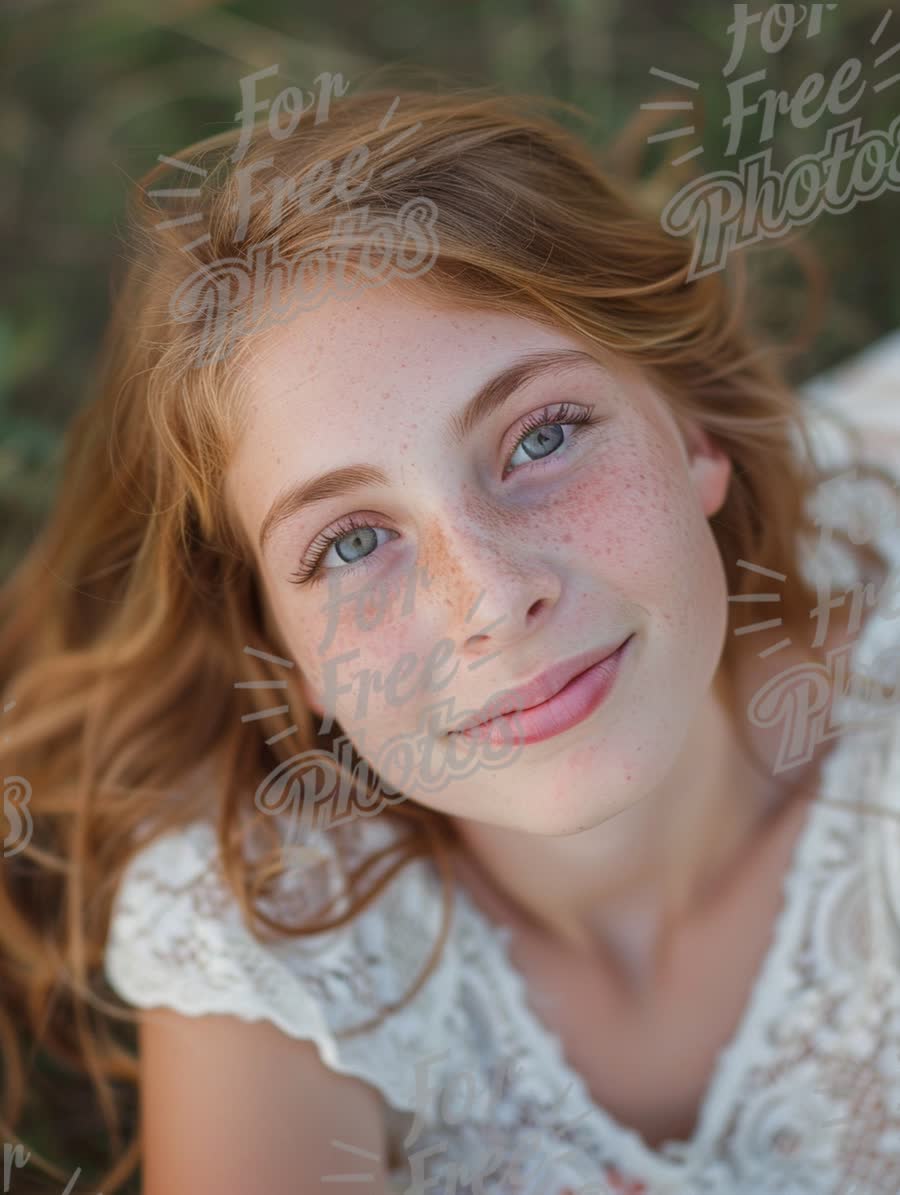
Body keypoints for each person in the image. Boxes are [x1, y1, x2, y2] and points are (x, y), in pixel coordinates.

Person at [1, 80, 900, 1195]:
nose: (489, 597)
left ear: (694, 430)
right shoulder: (274, 932)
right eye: (349, 545)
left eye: (545, 435)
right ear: (285, 651)